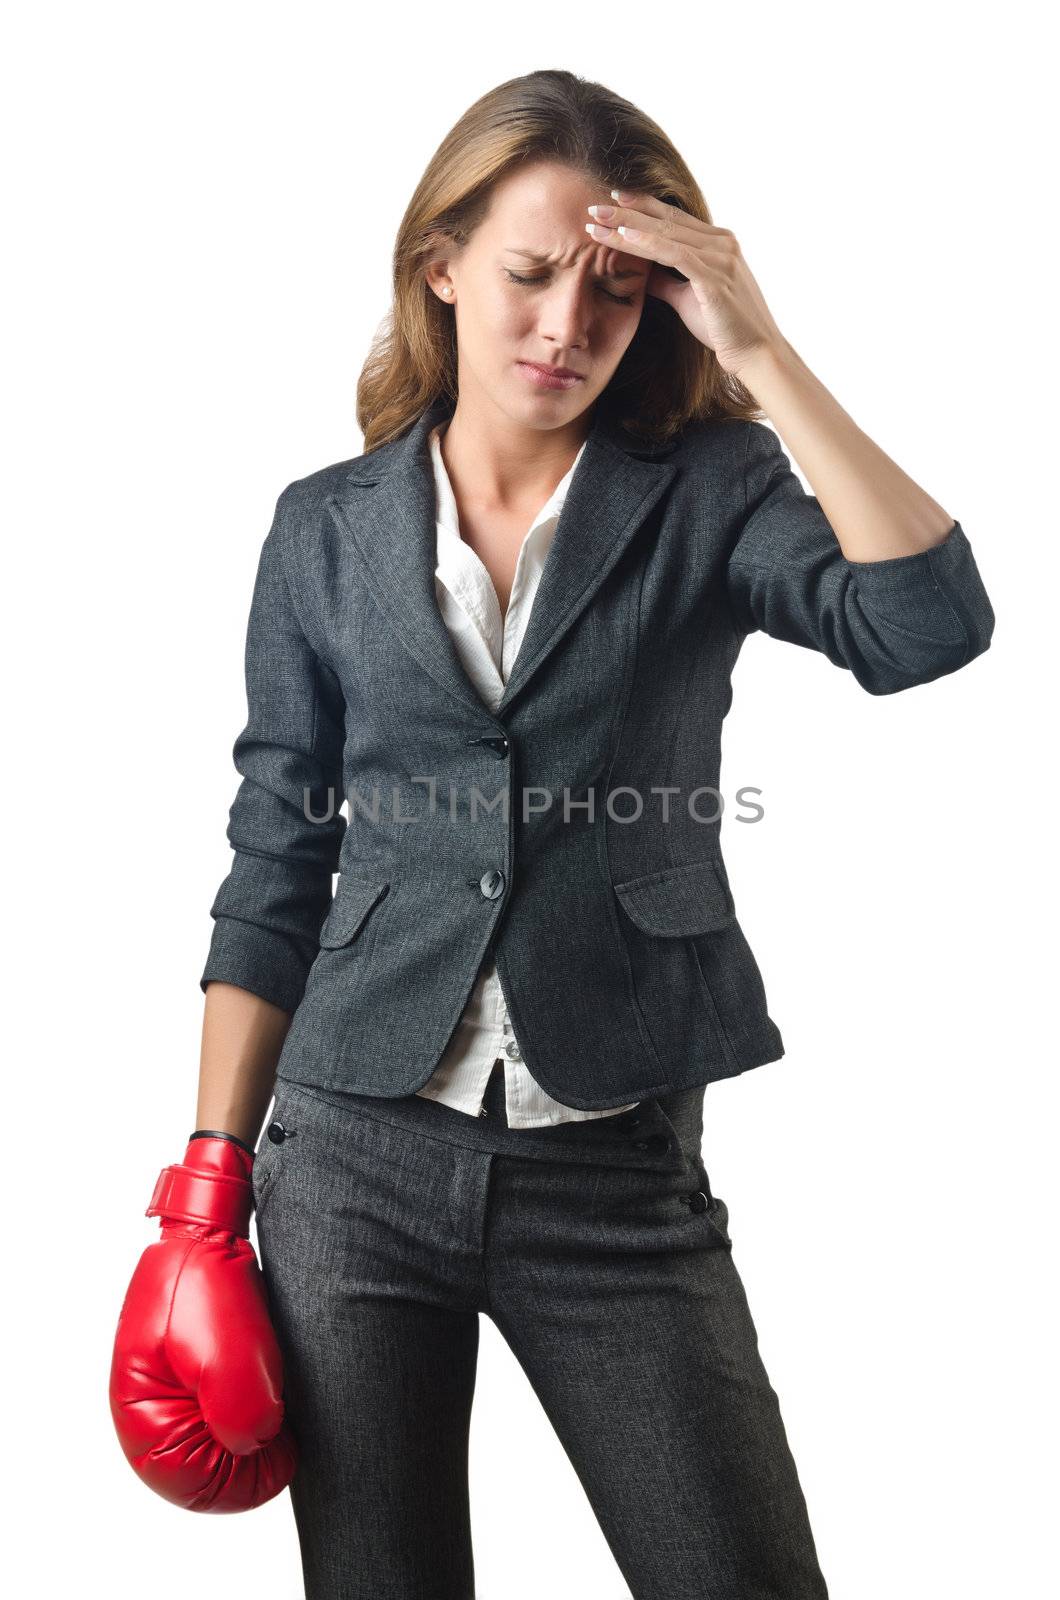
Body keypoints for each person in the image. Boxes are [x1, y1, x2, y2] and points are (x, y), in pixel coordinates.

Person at [110, 69, 995, 1599]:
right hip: (348, 1161)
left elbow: (926, 625)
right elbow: (273, 858)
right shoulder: (322, 530)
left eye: (616, 294)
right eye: (528, 275)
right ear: (440, 264)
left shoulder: (707, 492)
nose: (564, 330)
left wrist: (760, 351)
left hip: (613, 1164)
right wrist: (209, 1181)